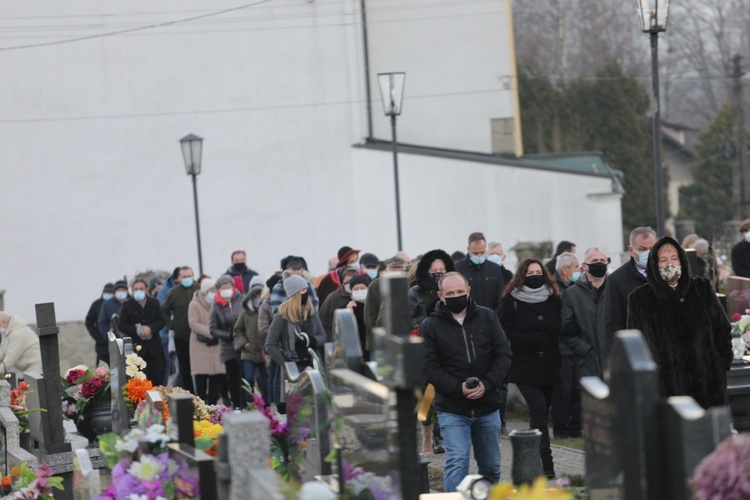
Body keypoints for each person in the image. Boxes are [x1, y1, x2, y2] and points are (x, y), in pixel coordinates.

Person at [421, 272, 512, 492]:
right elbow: (429, 367)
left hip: (487, 405)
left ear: (468, 291)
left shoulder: (487, 317)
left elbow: (503, 354)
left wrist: (488, 384)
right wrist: (457, 388)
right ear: (441, 295)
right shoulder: (430, 326)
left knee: (491, 466)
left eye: (460, 292)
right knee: (457, 461)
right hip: (453, 408)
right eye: (450, 293)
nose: (456, 296)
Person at [627, 236, 732, 409]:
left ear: (682, 262)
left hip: (708, 384)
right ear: (655, 265)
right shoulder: (640, 299)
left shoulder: (701, 289)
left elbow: (722, 328)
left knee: (709, 432)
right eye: (663, 260)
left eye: (674, 258)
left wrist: (721, 363)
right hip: (666, 389)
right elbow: (636, 346)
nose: (670, 264)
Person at [499, 259, 561, 479]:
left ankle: (536, 456)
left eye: (538, 272)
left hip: (550, 365)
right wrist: (531, 339)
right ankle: (545, 461)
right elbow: (503, 332)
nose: (535, 275)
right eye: (529, 272)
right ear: (521, 276)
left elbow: (560, 327)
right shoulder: (511, 300)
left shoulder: (554, 297)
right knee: (537, 407)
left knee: (543, 412)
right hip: (525, 365)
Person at [265, 275, 326, 411]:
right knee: (297, 410)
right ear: (294, 294)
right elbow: (270, 344)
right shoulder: (281, 317)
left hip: (313, 365)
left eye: (306, 289)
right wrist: (286, 363)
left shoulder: (311, 312)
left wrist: (312, 340)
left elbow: (322, 336)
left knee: (316, 407)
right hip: (294, 370)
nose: (307, 293)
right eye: (303, 290)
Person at [600, 226, 657, 366]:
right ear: (632, 251)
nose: (649, 253)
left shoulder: (668, 273)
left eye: (653, 248)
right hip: (637, 354)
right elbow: (613, 324)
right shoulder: (617, 280)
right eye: (643, 249)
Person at [560, 248, 609, 379]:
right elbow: (566, 329)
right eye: (594, 260)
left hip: (613, 360)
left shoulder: (615, 289)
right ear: (584, 266)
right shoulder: (571, 294)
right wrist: (586, 350)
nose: (599, 264)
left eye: (602, 260)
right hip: (587, 364)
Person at [551, 252, 580, 438]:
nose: (580, 270)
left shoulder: (578, 286)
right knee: (562, 392)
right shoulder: (552, 289)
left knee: (578, 389)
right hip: (560, 348)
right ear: (565, 270)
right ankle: (561, 430)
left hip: (578, 347)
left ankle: (577, 428)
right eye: (577, 267)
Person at [118, 279, 167, 385]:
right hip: (136, 350)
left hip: (154, 349)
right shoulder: (127, 305)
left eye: (141, 289)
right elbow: (121, 325)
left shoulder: (154, 303)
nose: (138, 291)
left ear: (146, 289)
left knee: (157, 378)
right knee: (139, 381)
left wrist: (151, 328)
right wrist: (136, 330)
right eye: (136, 289)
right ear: (132, 290)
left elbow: (162, 320)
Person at [161, 266, 200, 393]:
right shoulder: (173, 292)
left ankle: (202, 395)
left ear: (193, 276)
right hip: (181, 337)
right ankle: (190, 395)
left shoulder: (199, 289)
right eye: (184, 277)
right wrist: (171, 325)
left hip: (199, 336)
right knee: (185, 369)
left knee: (200, 368)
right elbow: (164, 310)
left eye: (189, 276)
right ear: (178, 278)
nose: (187, 279)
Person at [209, 275, 246, 409]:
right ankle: (236, 405)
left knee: (245, 376)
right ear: (218, 290)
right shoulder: (216, 305)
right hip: (227, 347)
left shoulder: (242, 299)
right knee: (233, 378)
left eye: (228, 287)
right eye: (223, 288)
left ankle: (246, 403)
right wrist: (228, 335)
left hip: (243, 345)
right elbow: (213, 329)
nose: (226, 290)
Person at [188, 279, 225, 405]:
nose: (213, 294)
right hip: (199, 346)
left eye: (215, 291)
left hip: (216, 346)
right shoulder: (194, 304)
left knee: (216, 380)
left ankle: (213, 408)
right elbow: (193, 323)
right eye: (211, 291)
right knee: (201, 382)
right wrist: (211, 332)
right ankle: (202, 409)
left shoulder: (220, 304)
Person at [233, 276, 269, 404]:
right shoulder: (245, 314)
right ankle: (249, 403)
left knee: (265, 381)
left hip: (263, 353)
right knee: (248, 379)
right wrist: (244, 343)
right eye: (256, 296)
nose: (258, 299)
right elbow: (237, 330)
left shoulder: (266, 312)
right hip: (248, 353)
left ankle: (266, 405)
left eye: (260, 295)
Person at [364, 255, 408, 353]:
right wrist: (383, 335)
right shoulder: (375, 286)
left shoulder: (409, 284)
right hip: (380, 344)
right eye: (393, 269)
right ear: (386, 270)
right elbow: (370, 317)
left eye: (400, 268)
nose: (397, 272)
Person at [321, 273, 371, 358]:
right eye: (356, 289)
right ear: (351, 291)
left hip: (371, 349)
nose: (359, 291)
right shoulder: (344, 307)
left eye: (362, 288)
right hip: (353, 352)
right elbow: (337, 327)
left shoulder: (373, 306)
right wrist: (348, 311)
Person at [455, 232, 506, 314]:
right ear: (468, 249)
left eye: (482, 252)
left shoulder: (494, 269)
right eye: (475, 253)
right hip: (466, 319)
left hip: (490, 319)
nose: (479, 255)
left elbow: (500, 297)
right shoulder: (458, 269)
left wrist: (493, 317)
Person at [408, 250, 456, 326]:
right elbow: (408, 320)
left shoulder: (454, 290)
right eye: (434, 270)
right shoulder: (415, 291)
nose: (438, 273)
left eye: (441, 270)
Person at [319, 267, 360, 339]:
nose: (350, 284)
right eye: (347, 281)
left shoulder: (362, 296)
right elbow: (323, 321)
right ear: (342, 282)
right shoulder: (333, 297)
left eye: (353, 281)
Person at [0, 312, 42, 377]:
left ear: (4, 322)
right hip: (23, 368)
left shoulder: (19, 333)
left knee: (30, 386)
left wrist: (1, 369)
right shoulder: (6, 333)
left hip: (34, 366)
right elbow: (2, 350)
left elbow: (12, 356)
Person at [85, 282, 114, 365]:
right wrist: (97, 336)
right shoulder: (96, 305)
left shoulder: (117, 304)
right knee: (102, 374)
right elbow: (89, 321)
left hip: (116, 347)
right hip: (102, 347)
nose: (107, 294)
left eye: (110, 292)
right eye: (106, 292)